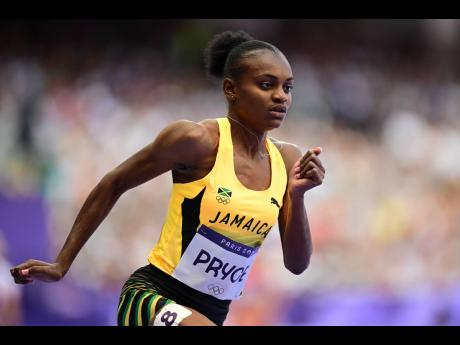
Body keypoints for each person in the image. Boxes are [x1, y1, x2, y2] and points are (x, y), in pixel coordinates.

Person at [10, 30, 326, 326]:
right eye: (266, 84)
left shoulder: (287, 160)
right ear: (231, 89)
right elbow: (114, 182)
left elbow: (297, 265)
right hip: (152, 298)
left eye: (288, 87)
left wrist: (297, 196)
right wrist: (61, 264)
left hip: (210, 315)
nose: (281, 97)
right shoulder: (196, 141)